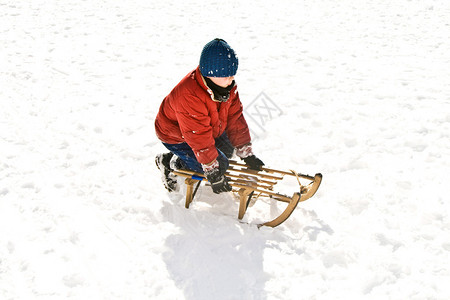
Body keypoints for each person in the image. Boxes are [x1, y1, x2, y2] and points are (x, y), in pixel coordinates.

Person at [155, 38, 264, 194]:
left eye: (232, 74)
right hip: (176, 135)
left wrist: (246, 153)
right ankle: (171, 163)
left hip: (209, 128)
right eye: (227, 75)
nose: (231, 78)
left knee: (227, 152)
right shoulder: (189, 95)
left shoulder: (228, 87)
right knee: (217, 165)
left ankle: (192, 160)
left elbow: (235, 119)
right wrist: (212, 171)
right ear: (211, 73)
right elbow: (197, 135)